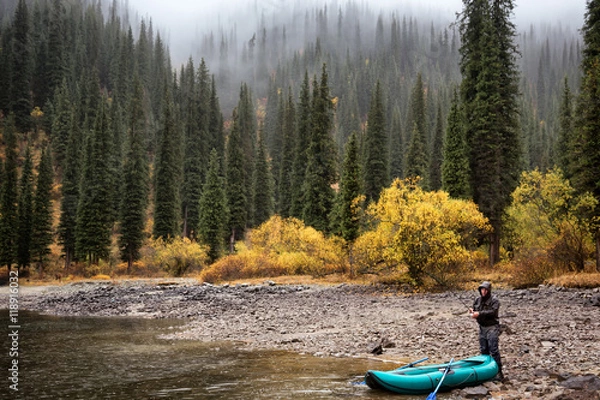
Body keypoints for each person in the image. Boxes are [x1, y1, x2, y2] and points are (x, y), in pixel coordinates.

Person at [469, 281, 504, 382]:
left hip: (492, 327)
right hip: (482, 327)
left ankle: (499, 372)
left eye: (485, 290)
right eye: (482, 290)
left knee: (494, 349)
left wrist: (479, 314)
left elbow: (492, 312)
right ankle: (486, 371)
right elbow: (476, 309)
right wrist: (472, 312)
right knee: (484, 350)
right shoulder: (477, 300)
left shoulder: (495, 300)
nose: (483, 292)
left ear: (489, 290)